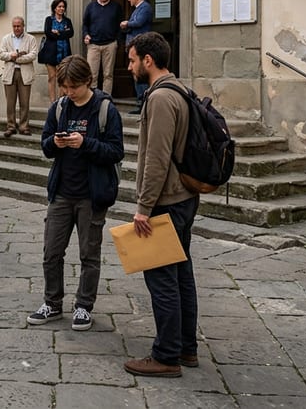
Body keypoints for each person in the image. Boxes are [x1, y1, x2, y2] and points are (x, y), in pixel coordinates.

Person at [28, 56, 124, 332]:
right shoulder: (59, 108)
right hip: (61, 192)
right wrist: (56, 143)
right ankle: (52, 302)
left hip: (91, 195)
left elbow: (116, 151)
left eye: (73, 87)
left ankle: (83, 306)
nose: (68, 92)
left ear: (88, 82)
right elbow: (45, 146)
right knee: (51, 252)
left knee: (89, 254)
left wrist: (85, 143)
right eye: (64, 87)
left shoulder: (105, 109)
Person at [123, 32, 197, 378]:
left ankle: (166, 356)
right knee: (181, 274)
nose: (130, 66)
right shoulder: (178, 89)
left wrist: (143, 206)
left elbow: (156, 157)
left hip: (166, 201)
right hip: (181, 198)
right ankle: (186, 348)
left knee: (163, 279)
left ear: (148, 60)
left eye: (133, 59)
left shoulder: (161, 98)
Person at [0, 16, 39, 137]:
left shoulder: (30, 39)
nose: (16, 28)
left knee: (24, 102)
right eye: (14, 26)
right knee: (10, 103)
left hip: (25, 73)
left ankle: (24, 126)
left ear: (23, 26)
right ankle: (11, 126)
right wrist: (12, 55)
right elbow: (1, 54)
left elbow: (33, 55)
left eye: (18, 26)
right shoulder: (6, 39)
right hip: (10, 73)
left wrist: (18, 59)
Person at [82, 0, 125, 95]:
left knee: (108, 74)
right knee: (92, 74)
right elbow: (85, 24)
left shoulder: (116, 7)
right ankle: (93, 99)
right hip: (93, 45)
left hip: (110, 44)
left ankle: (106, 98)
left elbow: (120, 25)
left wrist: (117, 41)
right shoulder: (91, 6)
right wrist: (86, 34)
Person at [123, 0, 155, 106]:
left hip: (140, 47)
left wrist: (127, 24)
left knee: (140, 72)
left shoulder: (145, 8)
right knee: (136, 73)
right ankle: (140, 101)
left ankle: (143, 101)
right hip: (134, 46)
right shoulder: (137, 9)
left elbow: (139, 22)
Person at [40, 0, 74, 103]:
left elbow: (71, 33)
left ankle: (61, 100)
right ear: (55, 8)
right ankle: (53, 101)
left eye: (63, 7)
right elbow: (48, 33)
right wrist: (63, 33)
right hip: (50, 53)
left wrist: (58, 32)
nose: (61, 8)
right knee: (52, 77)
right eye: (59, 6)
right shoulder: (49, 20)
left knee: (62, 78)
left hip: (64, 53)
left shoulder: (67, 21)